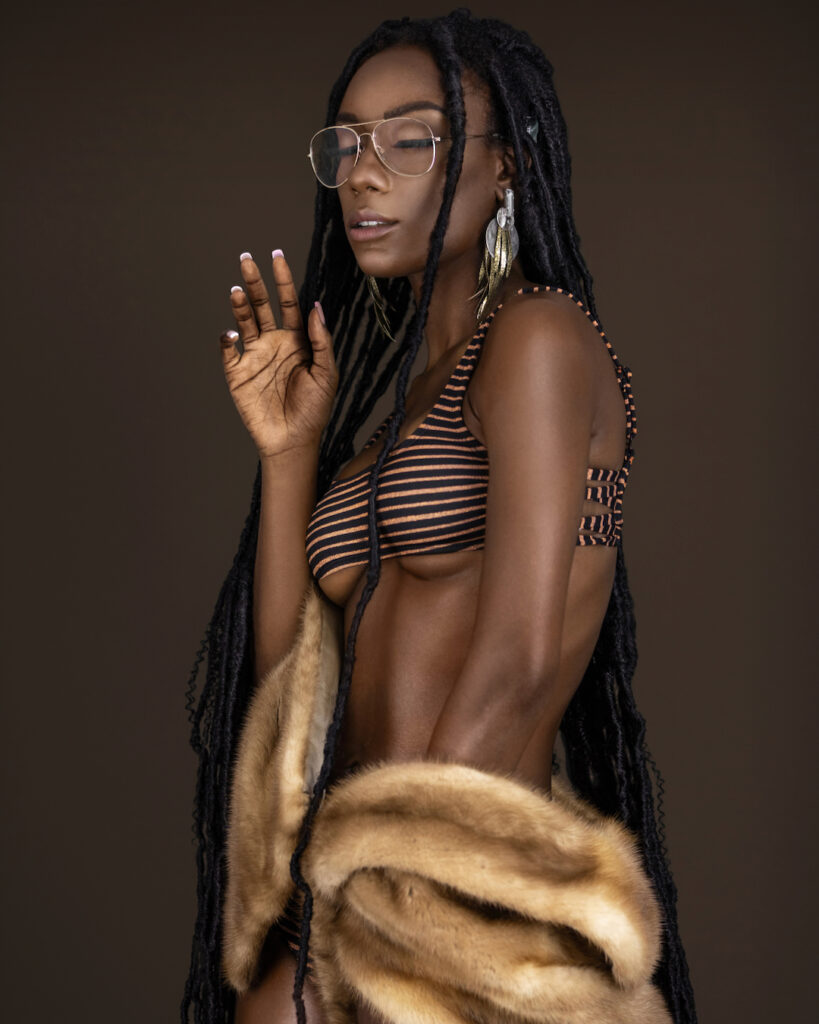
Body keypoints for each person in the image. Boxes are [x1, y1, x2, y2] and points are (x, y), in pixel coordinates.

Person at [182, 10, 697, 1024]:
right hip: (366, 882)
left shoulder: (540, 339)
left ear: (505, 166)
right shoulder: (397, 418)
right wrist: (290, 455)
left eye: (412, 139)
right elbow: (293, 678)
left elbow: (518, 653)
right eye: (349, 143)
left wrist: (401, 883)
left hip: (469, 893)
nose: (365, 174)